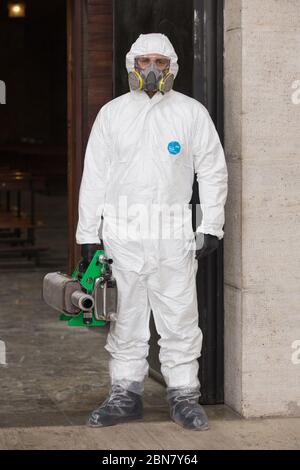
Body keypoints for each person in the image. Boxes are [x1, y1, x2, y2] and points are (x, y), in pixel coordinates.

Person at [76, 33, 228, 430]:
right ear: (132, 66)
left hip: (172, 237)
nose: (151, 69)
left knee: (179, 318)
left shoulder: (191, 113)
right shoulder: (112, 114)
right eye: (144, 61)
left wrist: (211, 225)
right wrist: (87, 234)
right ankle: (125, 393)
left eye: (160, 62)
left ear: (172, 68)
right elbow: (94, 176)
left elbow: (211, 169)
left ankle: (183, 395)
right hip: (122, 237)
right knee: (125, 318)